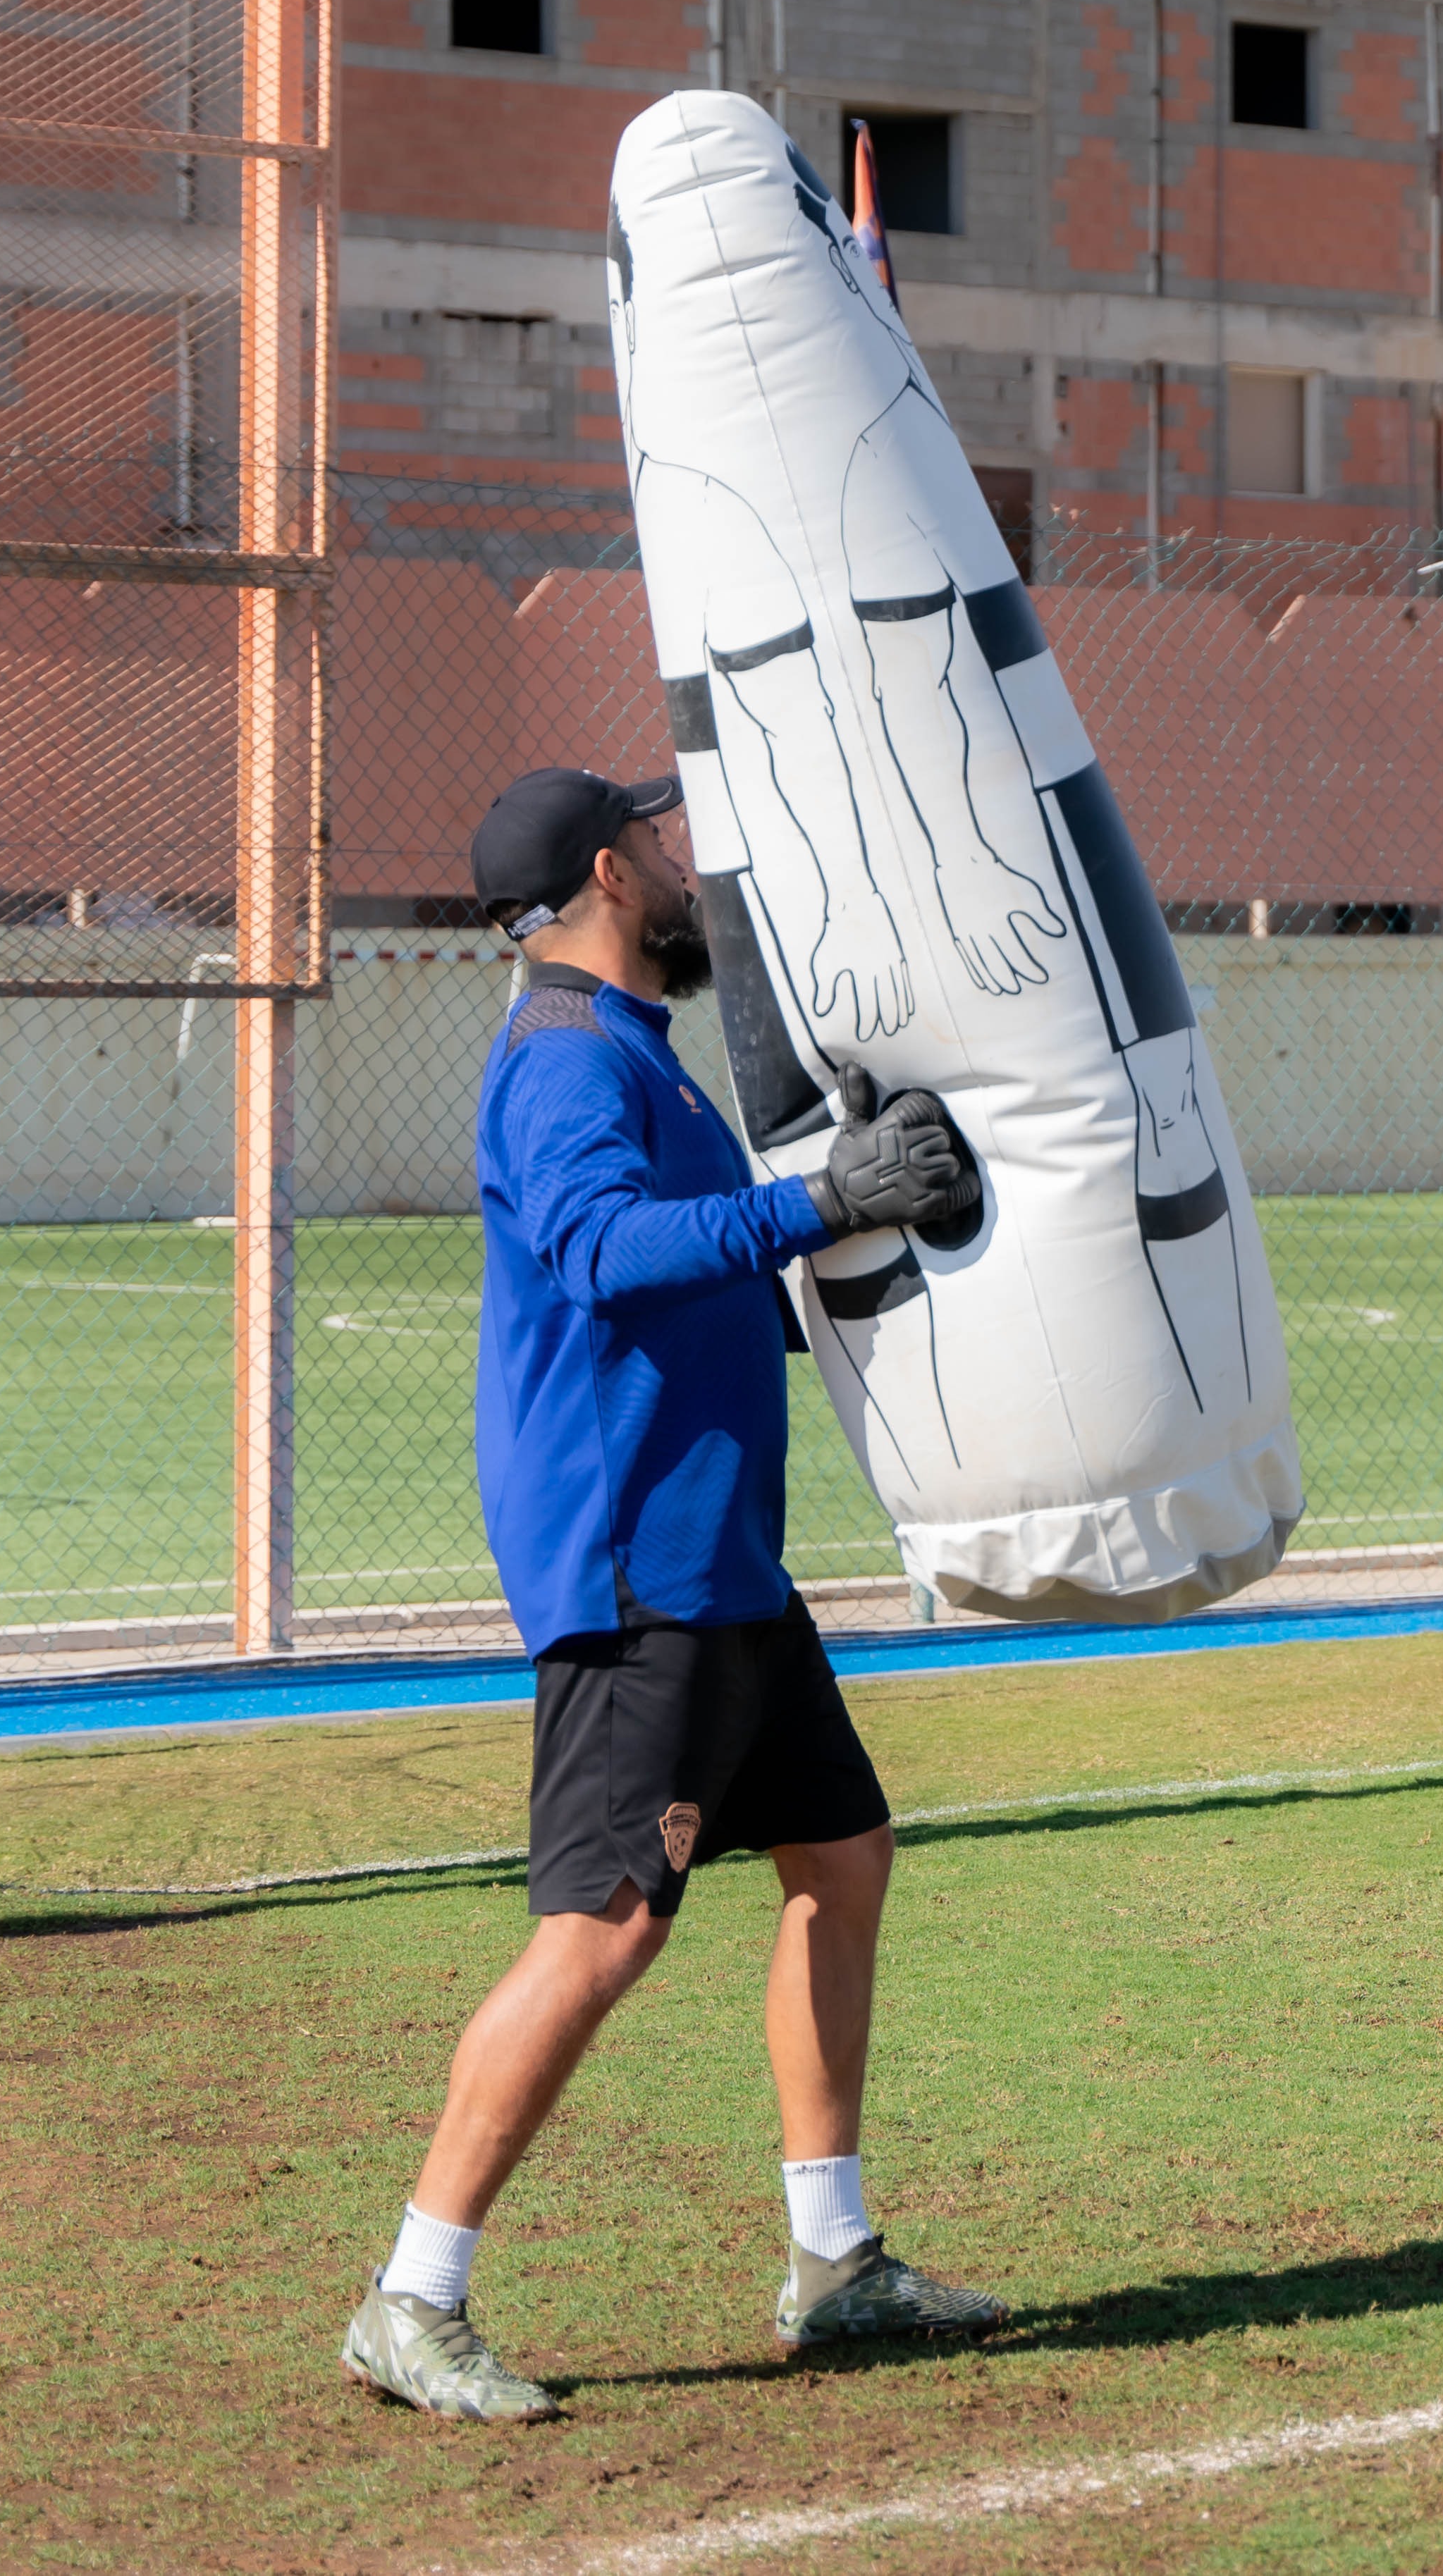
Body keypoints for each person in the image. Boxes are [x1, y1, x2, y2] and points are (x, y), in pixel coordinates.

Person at [340, 765, 1007, 2421]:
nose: (678, 856)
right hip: (641, 1567)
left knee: (841, 1858)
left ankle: (834, 2261)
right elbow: (604, 1251)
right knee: (602, 1927)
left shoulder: (632, 1048)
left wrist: (832, 1259)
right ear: (600, 870)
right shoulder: (566, 1057)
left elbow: (694, 1281)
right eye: (653, 838)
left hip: (721, 1564)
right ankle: (411, 2297)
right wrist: (827, 1200)